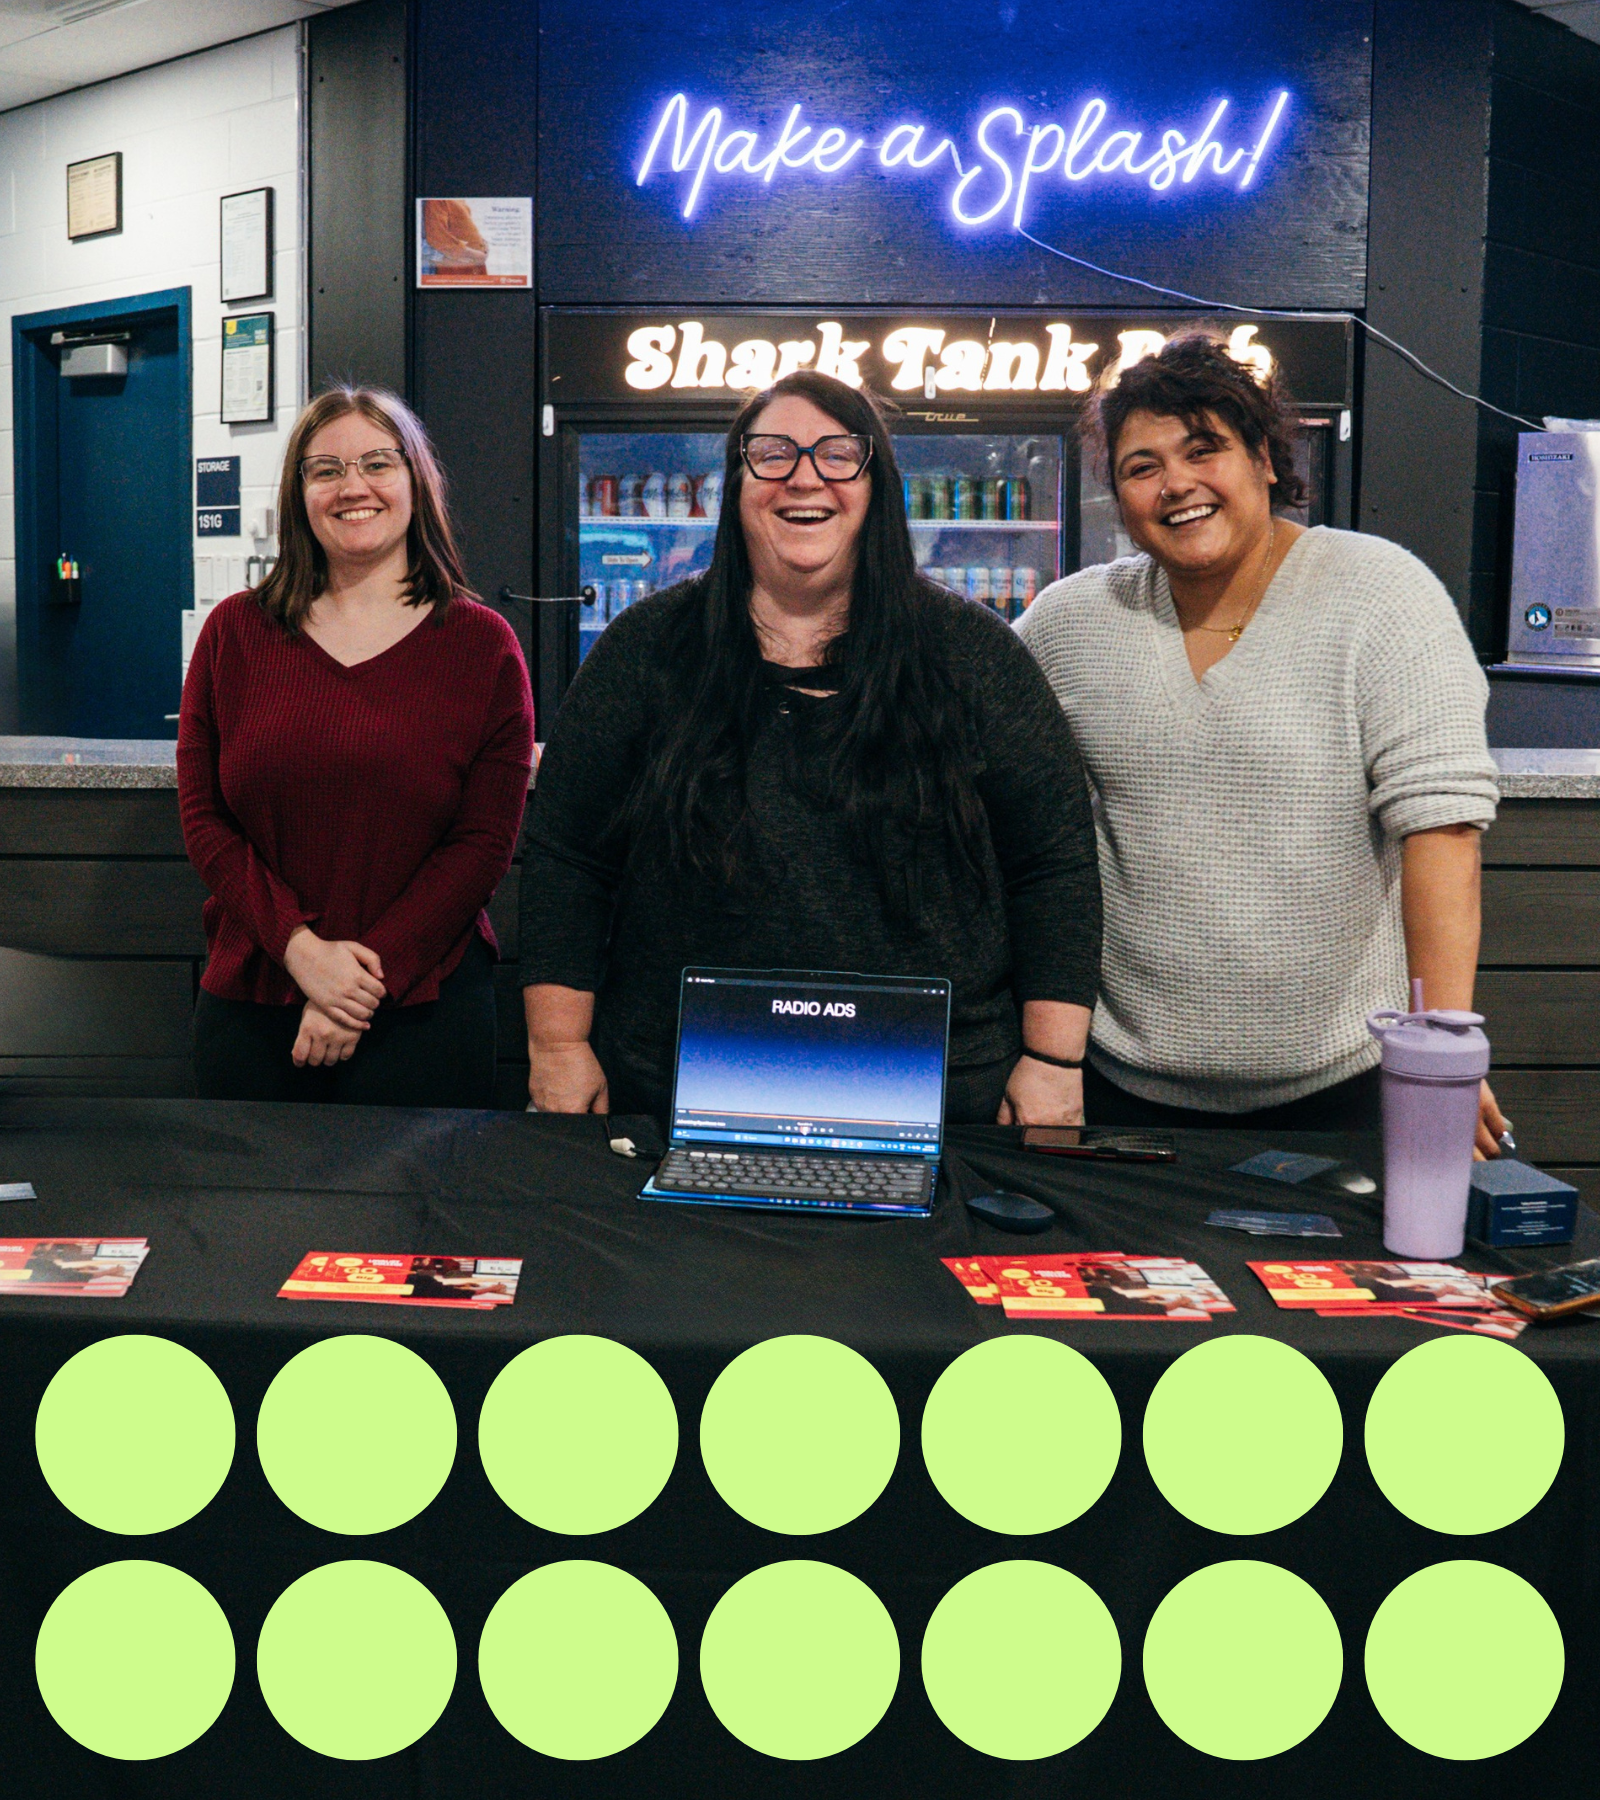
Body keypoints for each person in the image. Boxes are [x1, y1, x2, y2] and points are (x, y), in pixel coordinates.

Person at [519, 370, 1102, 1125]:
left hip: (941, 1090)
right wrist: (558, 1047)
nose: (804, 477)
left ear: (875, 486)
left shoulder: (972, 655)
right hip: (678, 1085)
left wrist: (1054, 1061)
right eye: (773, 453)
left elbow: (1052, 865)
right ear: (736, 484)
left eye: (837, 454)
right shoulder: (648, 649)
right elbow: (569, 856)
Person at [1018, 333, 1505, 1151]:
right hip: (1119, 1088)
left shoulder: (1382, 593)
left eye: (1203, 448)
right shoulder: (1070, 624)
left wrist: (1443, 1051)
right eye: (1142, 468)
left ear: (1265, 460)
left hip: (1345, 1084)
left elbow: (1445, 828)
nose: (1177, 483)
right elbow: (973, 761)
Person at [178, 387, 534, 1107]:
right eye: (325, 470)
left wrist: (355, 986)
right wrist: (303, 954)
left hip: (426, 1009)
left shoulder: (481, 646)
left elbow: (483, 845)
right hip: (255, 1002)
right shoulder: (233, 634)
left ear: (415, 480)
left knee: (420, 1221)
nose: (354, 487)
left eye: (378, 462)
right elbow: (206, 819)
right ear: (299, 492)